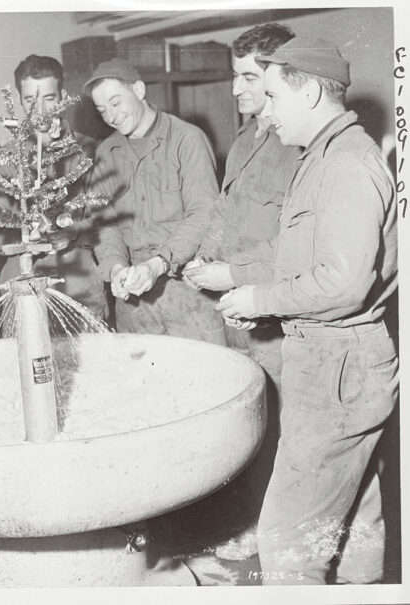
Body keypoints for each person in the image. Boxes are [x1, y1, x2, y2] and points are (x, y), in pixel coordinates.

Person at [216, 38, 398, 584]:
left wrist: (261, 298)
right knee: (354, 528)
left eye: (271, 95)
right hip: (338, 362)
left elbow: (342, 283)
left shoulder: (343, 164)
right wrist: (266, 305)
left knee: (288, 547)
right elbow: (313, 263)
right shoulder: (322, 156)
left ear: (312, 90)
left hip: (334, 370)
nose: (264, 111)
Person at [180, 23, 299, 559]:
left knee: (286, 435)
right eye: (235, 76)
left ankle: (276, 541)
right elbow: (226, 211)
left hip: (278, 315)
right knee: (252, 426)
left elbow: (295, 245)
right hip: (240, 313)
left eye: (248, 77)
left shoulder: (298, 144)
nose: (235, 89)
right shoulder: (248, 138)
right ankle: (254, 525)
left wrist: (236, 275)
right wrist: (203, 256)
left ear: (280, 75)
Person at [84, 58, 223, 342]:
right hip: (134, 304)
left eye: (116, 102)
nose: (111, 116)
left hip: (188, 292)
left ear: (138, 89)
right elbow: (104, 225)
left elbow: (204, 213)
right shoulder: (106, 153)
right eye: (102, 110)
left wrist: (158, 264)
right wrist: (116, 269)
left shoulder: (186, 139)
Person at [0, 54, 107, 318]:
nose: (40, 111)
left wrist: (72, 231)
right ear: (19, 100)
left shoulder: (90, 151)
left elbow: (107, 223)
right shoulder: (5, 159)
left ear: (63, 96)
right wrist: (26, 230)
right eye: (30, 100)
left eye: (49, 98)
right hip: (23, 280)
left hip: (80, 282)